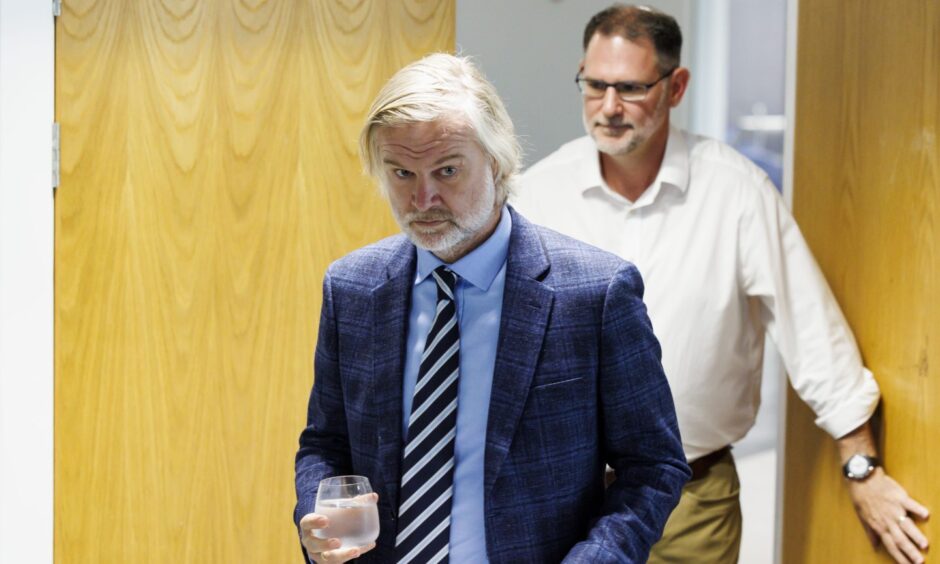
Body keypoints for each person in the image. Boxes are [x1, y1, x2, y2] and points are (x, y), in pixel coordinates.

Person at [511, 4, 930, 564]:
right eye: (595, 85)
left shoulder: (736, 192)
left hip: (692, 503)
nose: (608, 108)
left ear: (676, 85)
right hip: (562, 499)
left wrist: (862, 467)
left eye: (631, 88)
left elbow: (810, 328)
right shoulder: (538, 196)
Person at [292, 53, 690, 564]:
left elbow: (653, 466)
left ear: (498, 162)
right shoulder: (351, 288)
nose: (423, 197)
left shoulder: (595, 293)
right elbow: (325, 442)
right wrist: (317, 516)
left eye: (448, 170)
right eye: (401, 173)